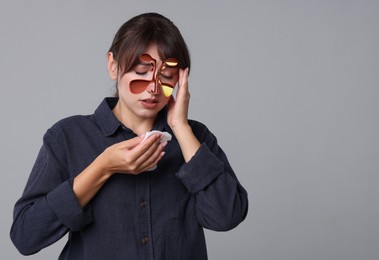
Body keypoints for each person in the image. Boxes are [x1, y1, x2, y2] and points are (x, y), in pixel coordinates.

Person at [10, 12, 248, 260]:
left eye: (166, 76)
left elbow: (227, 216)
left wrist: (180, 127)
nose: (154, 88)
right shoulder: (67, 137)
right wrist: (103, 167)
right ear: (113, 65)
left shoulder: (196, 138)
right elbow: (26, 236)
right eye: (142, 72)